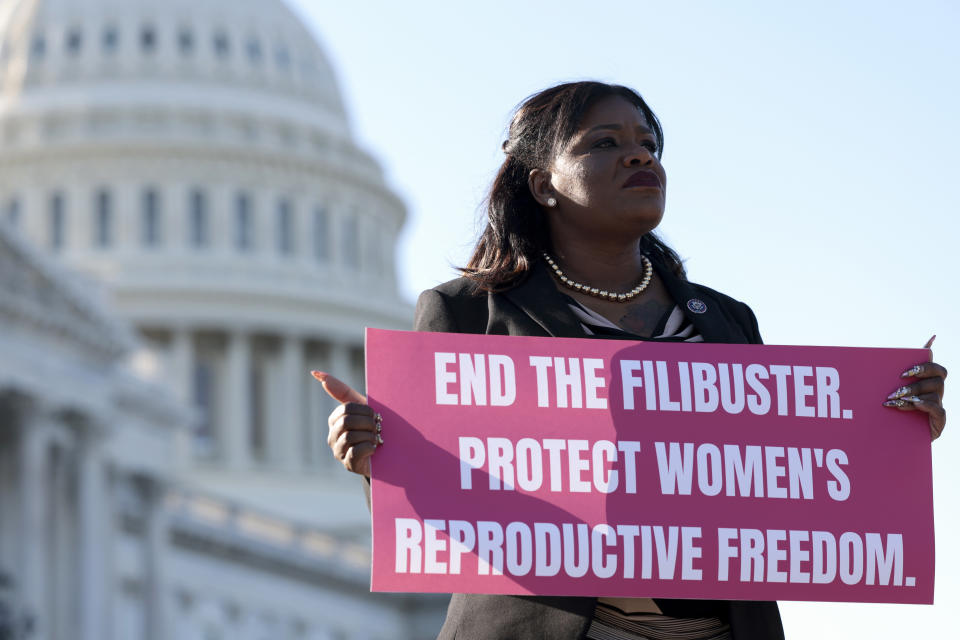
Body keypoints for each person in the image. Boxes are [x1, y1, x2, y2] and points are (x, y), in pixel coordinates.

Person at [314, 81, 947, 640]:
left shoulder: (728, 320)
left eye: (648, 142)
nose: (640, 155)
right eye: (604, 143)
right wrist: (376, 461)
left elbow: (785, 480)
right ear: (543, 185)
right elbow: (444, 514)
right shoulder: (468, 313)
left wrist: (889, 431)